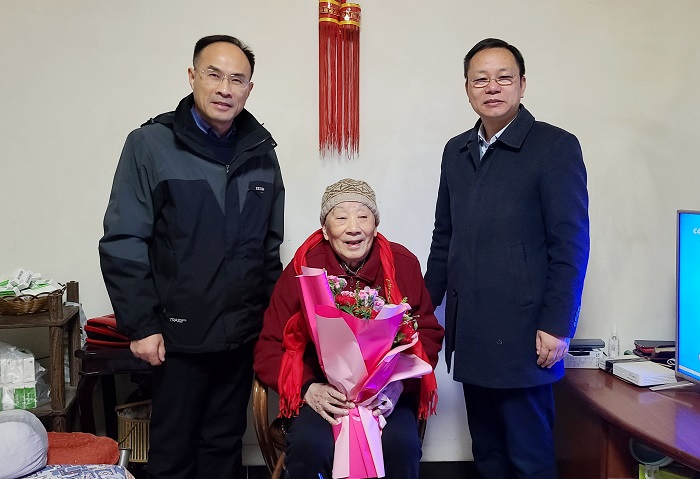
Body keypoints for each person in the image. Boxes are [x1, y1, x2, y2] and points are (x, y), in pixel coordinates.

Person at [98, 35, 284, 479]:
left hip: (240, 336)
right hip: (175, 338)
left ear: (249, 89)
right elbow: (123, 239)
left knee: (223, 446)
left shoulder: (261, 153)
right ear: (192, 77)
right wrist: (142, 325)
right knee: (173, 452)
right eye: (213, 75)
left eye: (237, 79)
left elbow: (268, 249)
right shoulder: (150, 144)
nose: (225, 88)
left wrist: (272, 328)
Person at [424, 38, 590, 479]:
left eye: (504, 78)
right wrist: (417, 310)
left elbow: (571, 244)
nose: (492, 87)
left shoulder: (554, 147)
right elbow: (444, 238)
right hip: (470, 331)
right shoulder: (456, 151)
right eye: (481, 79)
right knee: (488, 455)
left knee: (529, 459)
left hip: (526, 333)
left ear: (522, 85)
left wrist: (558, 323)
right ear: (467, 89)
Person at [254, 178, 444, 479]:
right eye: (341, 218)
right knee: (310, 446)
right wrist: (308, 388)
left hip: (385, 393)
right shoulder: (303, 268)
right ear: (325, 230)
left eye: (363, 216)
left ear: (376, 225)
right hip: (324, 394)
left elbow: (428, 335)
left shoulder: (403, 264)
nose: (353, 228)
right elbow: (269, 345)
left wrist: (398, 386)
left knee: (402, 446)